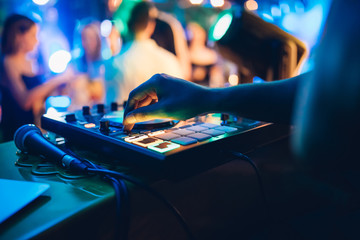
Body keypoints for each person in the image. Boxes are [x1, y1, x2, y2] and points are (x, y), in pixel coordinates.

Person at [0, 14, 72, 142]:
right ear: (19, 36)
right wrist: (57, 80)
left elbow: (40, 97)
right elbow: (25, 101)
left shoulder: (32, 61)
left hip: (36, 131)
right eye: (33, 35)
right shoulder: (8, 61)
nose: (37, 41)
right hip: (16, 133)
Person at [105, 1, 184, 105]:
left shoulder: (114, 64)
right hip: (168, 121)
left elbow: (112, 110)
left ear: (126, 25)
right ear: (150, 25)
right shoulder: (170, 60)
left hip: (128, 120)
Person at [68, 22, 105, 109]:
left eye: (91, 38)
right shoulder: (75, 63)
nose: (88, 42)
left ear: (98, 39)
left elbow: (100, 93)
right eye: (85, 38)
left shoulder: (104, 65)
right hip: (77, 110)